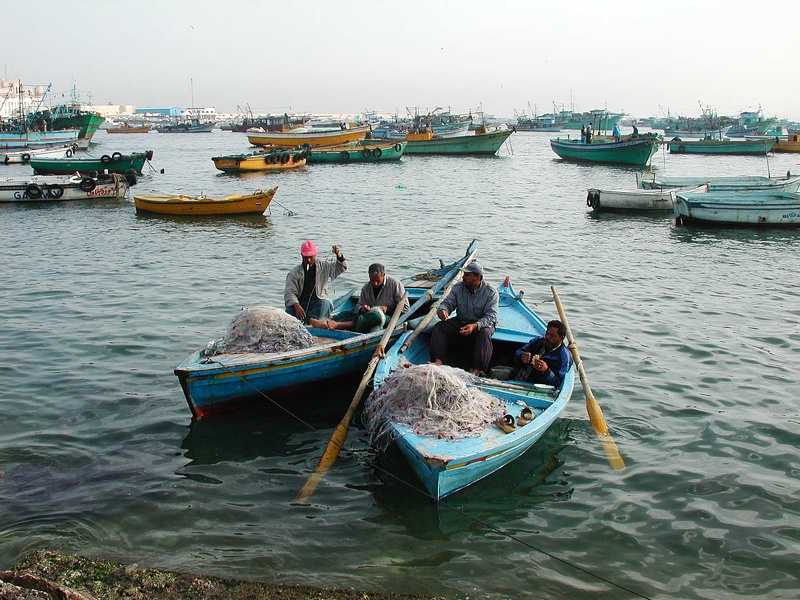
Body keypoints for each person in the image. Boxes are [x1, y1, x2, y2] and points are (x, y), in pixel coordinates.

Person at [429, 261, 499, 376]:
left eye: (467, 275)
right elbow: (448, 302)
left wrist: (475, 326)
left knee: (485, 333)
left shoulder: (490, 292)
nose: (463, 277)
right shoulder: (458, 287)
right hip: (461, 321)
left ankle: (478, 369)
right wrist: (443, 310)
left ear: (478, 277)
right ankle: (438, 361)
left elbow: (491, 316)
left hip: (481, 324)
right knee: (440, 327)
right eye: (463, 274)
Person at [310, 263, 409, 333]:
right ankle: (327, 321)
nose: (374, 283)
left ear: (383, 275)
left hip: (389, 318)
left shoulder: (395, 284)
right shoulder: (366, 287)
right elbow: (358, 307)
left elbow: (405, 308)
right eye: (372, 280)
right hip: (366, 316)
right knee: (348, 313)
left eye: (377, 281)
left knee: (377, 317)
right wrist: (362, 309)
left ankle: (338, 325)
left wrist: (387, 309)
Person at [284, 240, 347, 323]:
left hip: (317, 303)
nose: (309, 260)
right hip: (301, 304)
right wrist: (296, 305)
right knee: (289, 311)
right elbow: (289, 292)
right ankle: (309, 320)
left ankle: (311, 321)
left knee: (325, 303)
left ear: (315, 255)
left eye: (311, 257)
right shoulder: (294, 273)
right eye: (306, 257)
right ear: (302, 255)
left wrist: (338, 255)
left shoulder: (324, 266)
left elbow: (340, 268)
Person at [513, 319, 572, 388]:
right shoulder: (538, 341)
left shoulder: (564, 356)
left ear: (561, 338)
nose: (547, 337)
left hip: (535, 388)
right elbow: (518, 352)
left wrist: (546, 370)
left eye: (552, 335)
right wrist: (521, 356)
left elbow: (559, 383)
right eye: (547, 333)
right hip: (516, 378)